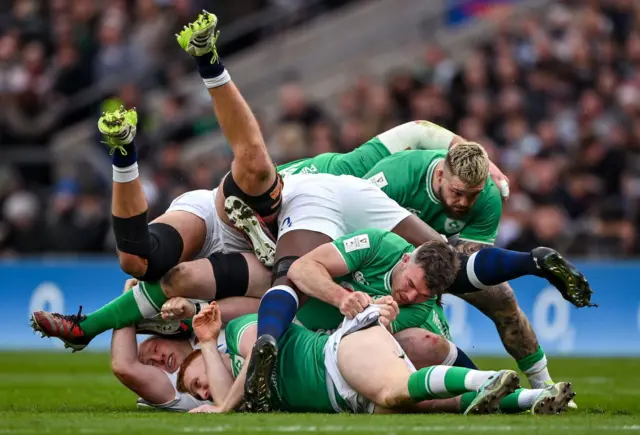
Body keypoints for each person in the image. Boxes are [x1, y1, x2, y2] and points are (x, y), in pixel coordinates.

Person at [178, 302, 575, 415]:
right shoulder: (235, 392)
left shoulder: (239, 330)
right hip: (351, 397)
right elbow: (222, 392)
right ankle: (537, 399)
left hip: (341, 356)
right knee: (438, 404)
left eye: (192, 376)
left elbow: (256, 352)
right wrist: (209, 358)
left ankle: (482, 378)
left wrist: (210, 341)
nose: (199, 389)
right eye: (194, 393)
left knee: (394, 390)